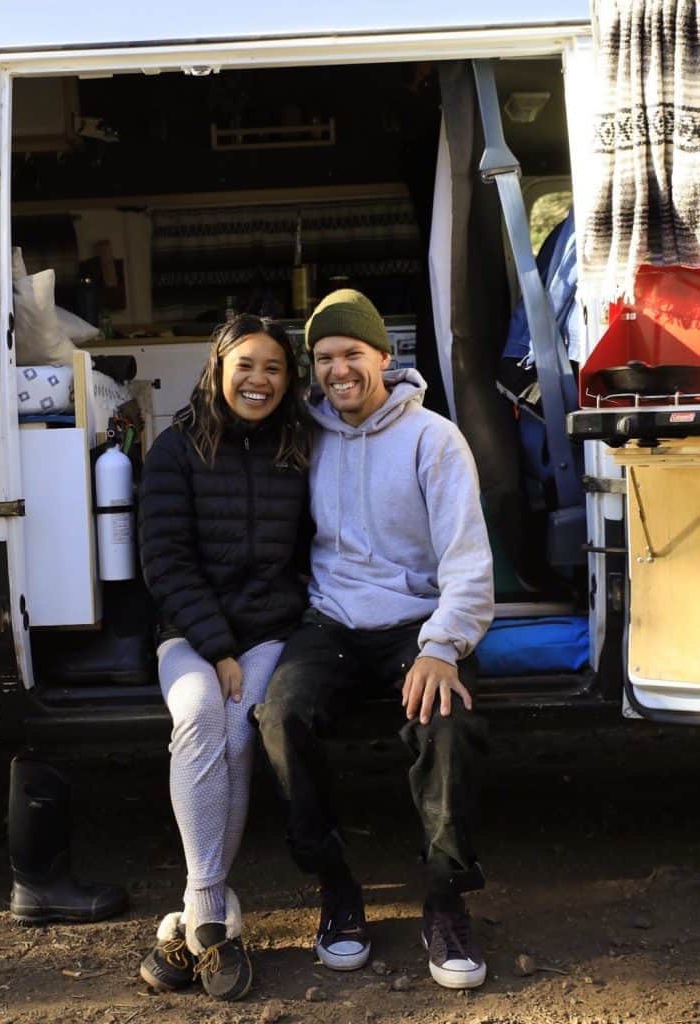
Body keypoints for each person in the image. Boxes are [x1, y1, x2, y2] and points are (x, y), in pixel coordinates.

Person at [254, 289, 494, 989]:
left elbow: (466, 559)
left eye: (351, 353)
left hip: (415, 624)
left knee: (445, 724)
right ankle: (336, 887)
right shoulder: (304, 436)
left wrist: (441, 645)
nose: (337, 369)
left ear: (383, 358)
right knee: (280, 717)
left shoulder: (433, 438)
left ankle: (446, 900)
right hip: (328, 622)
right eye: (323, 357)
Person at [137, 314, 309, 1001]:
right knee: (198, 714)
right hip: (186, 631)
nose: (258, 380)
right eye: (246, 365)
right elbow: (164, 560)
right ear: (217, 369)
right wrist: (215, 646)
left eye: (273, 367)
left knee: (238, 732)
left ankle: (196, 914)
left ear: (287, 379)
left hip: (268, 631)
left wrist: (246, 646)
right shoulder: (175, 448)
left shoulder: (299, 447)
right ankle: (213, 918)